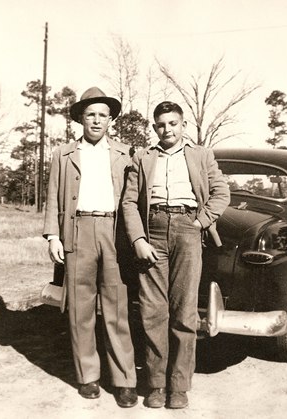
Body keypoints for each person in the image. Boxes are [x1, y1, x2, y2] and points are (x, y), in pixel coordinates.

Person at [122, 101, 230, 409]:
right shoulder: (143, 158)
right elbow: (130, 203)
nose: (167, 129)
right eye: (161, 124)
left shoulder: (200, 155)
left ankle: (179, 386)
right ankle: (156, 385)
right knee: (152, 311)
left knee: (184, 311)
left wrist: (199, 222)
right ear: (154, 127)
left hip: (187, 229)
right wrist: (138, 239)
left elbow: (222, 192)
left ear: (182, 125)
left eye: (173, 123)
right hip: (152, 229)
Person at [43, 87, 138, 408]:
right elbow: (53, 195)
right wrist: (53, 236)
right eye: (90, 115)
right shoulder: (64, 154)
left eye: (102, 115)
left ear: (110, 120)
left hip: (113, 232)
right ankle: (88, 376)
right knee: (81, 309)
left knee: (117, 306)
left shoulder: (126, 153)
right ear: (80, 119)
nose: (96, 120)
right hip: (78, 230)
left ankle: (125, 380)